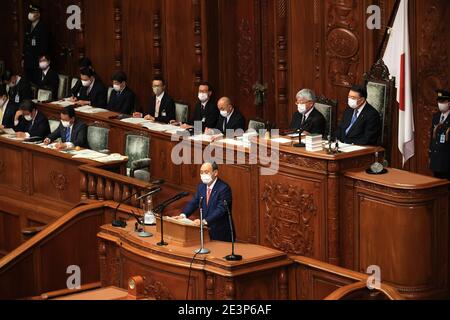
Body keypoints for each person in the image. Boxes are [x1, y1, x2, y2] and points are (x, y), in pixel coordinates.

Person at [175, 162, 234, 242]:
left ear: (215, 172)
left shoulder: (223, 188)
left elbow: (221, 210)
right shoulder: (201, 186)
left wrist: (204, 221)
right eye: (201, 172)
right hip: (205, 232)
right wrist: (183, 215)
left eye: (206, 172)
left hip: (220, 232)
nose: (203, 175)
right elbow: (194, 202)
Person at [22, 4, 50, 82]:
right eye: (30, 12)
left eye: (33, 12)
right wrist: (23, 58)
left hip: (37, 62)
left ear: (38, 14)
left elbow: (44, 46)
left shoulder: (42, 27)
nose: (31, 14)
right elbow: (25, 43)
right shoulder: (28, 27)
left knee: (36, 82)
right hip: (28, 61)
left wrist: (41, 61)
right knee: (28, 82)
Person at [429, 89, 450, 181]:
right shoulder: (436, 117)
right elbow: (432, 138)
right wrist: (430, 155)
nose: (440, 104)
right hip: (436, 160)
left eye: (442, 101)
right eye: (439, 101)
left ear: (449, 102)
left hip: (447, 161)